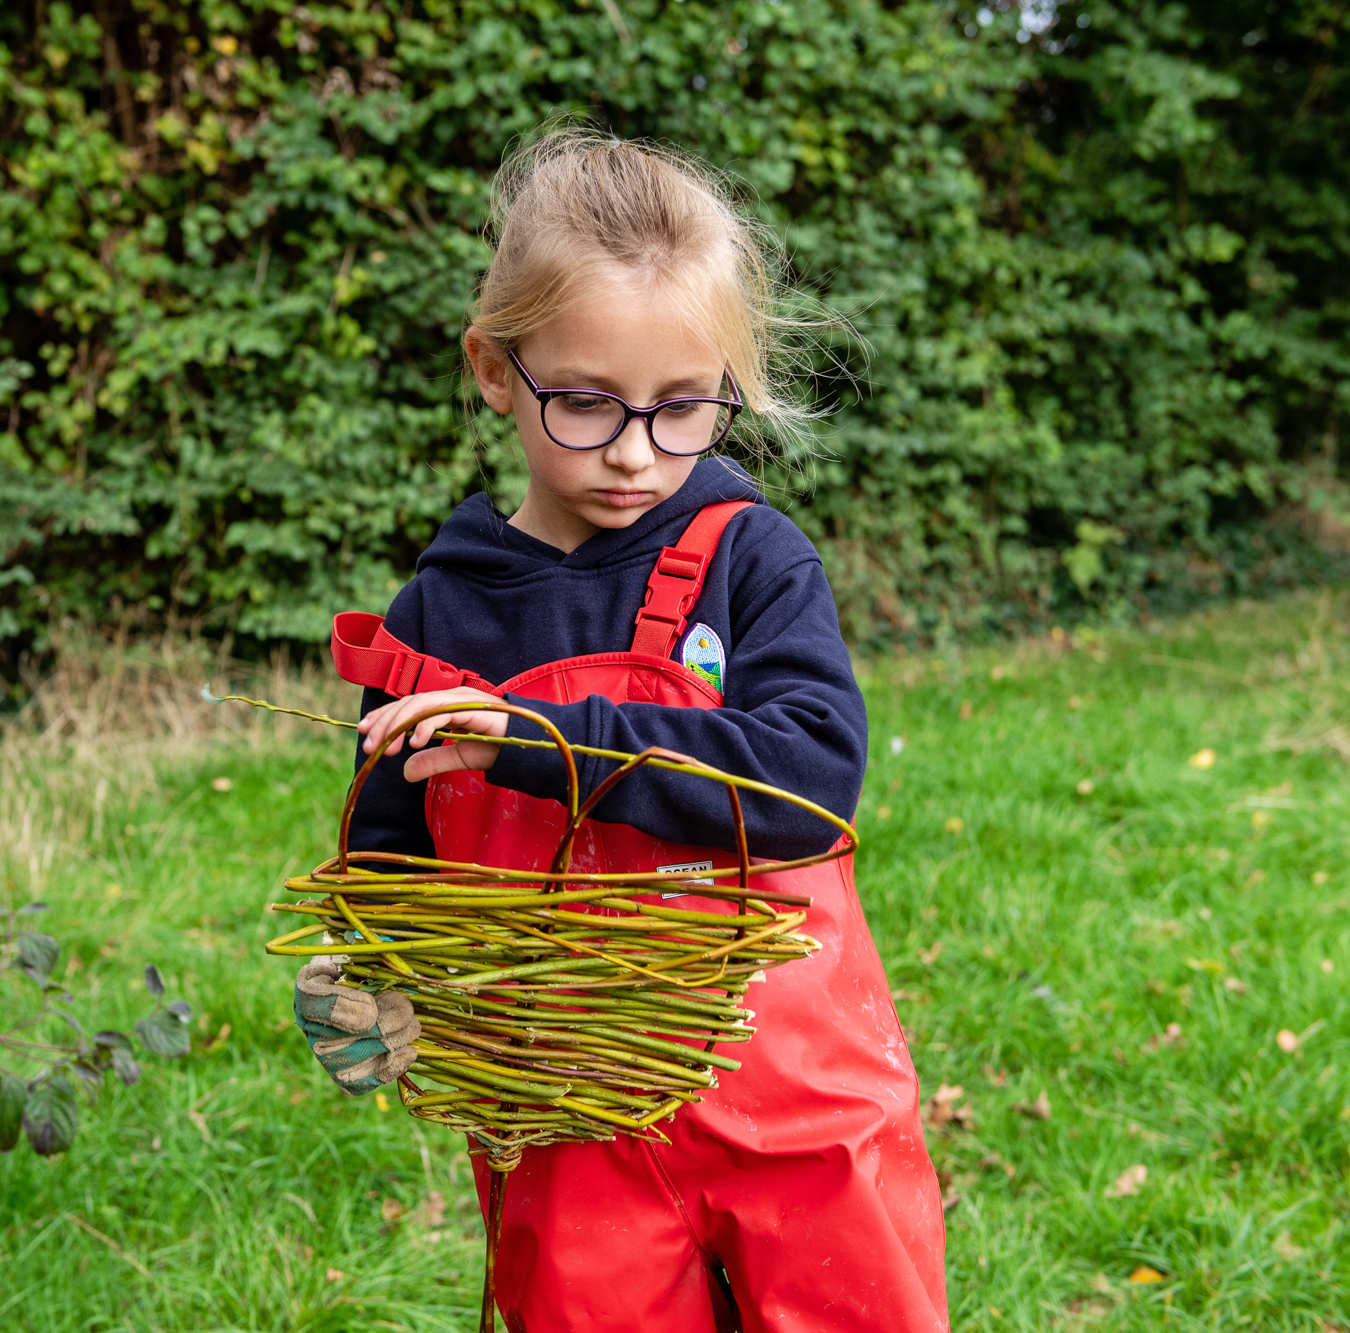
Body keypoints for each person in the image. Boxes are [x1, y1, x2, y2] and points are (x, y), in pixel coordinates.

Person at [290, 126, 947, 1332]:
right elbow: (391, 845)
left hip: (791, 1100)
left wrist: (537, 738)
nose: (639, 451)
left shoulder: (750, 560)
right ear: (496, 370)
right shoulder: (436, 614)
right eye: (586, 403)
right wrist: (370, 972)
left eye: (683, 406)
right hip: (565, 1120)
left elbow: (809, 779)